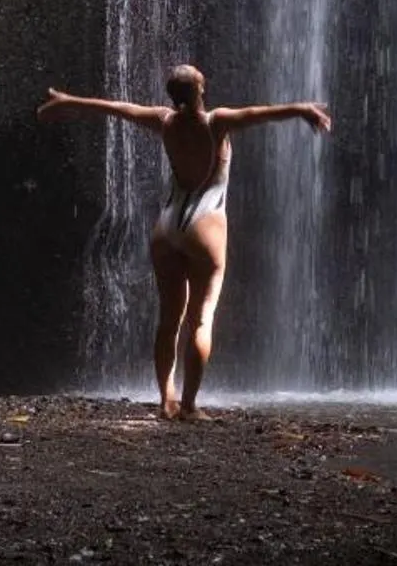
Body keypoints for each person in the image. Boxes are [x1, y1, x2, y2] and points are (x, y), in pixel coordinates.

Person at [38, 65, 331, 419]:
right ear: (201, 87)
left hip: (167, 226)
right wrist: (302, 109)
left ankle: (166, 400)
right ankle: (190, 406)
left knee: (169, 317)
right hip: (205, 224)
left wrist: (68, 101)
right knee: (201, 319)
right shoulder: (217, 122)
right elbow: (259, 115)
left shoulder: (164, 120)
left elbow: (117, 108)